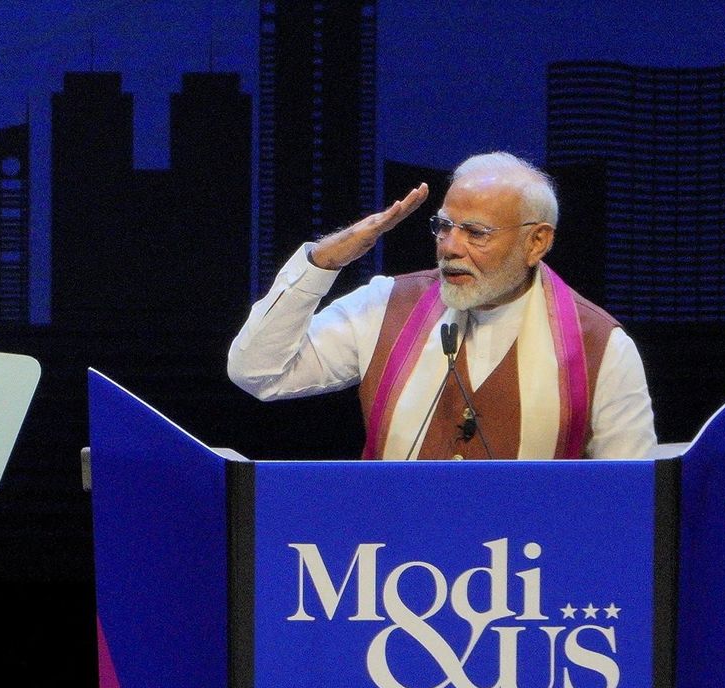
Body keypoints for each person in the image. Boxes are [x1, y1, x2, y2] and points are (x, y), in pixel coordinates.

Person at [228, 152, 657, 460]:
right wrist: (325, 261)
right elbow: (259, 373)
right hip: (390, 573)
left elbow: (632, 505)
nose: (450, 247)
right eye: (444, 227)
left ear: (537, 242)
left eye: (476, 233)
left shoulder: (602, 347)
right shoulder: (385, 306)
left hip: (528, 575)